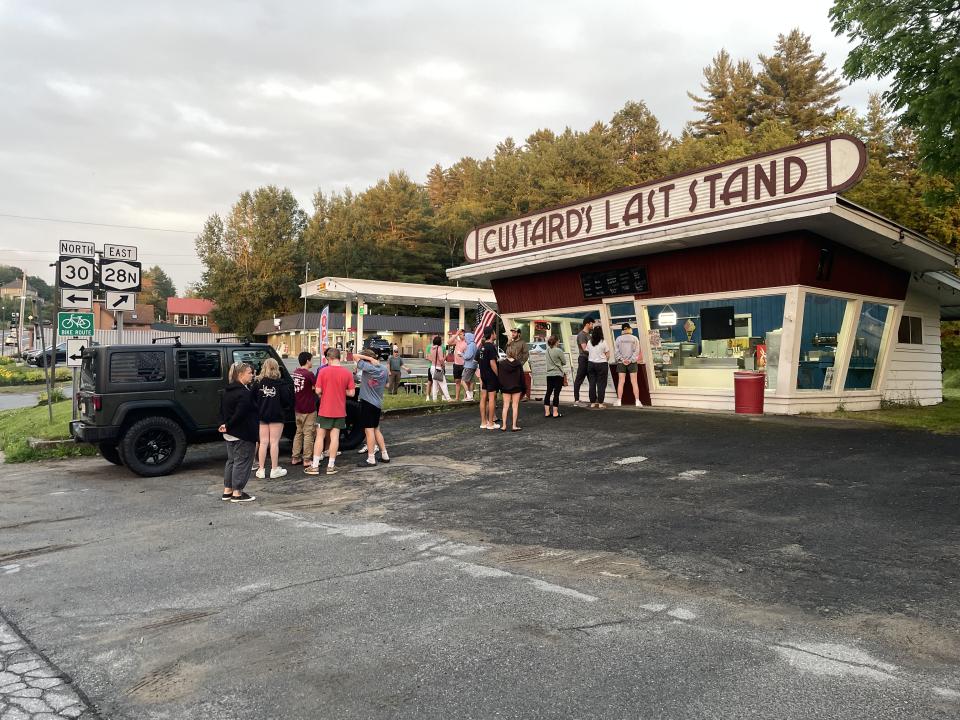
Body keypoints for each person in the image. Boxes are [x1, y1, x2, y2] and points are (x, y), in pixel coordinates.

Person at [305, 347, 356, 476]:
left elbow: (317, 391)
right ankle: (331, 466)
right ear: (339, 358)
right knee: (335, 438)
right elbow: (352, 393)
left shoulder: (323, 371)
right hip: (339, 411)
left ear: (329, 358)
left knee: (320, 437)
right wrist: (340, 390)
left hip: (325, 410)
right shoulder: (347, 373)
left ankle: (315, 466)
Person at [218, 362, 258, 503]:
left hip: (229, 434)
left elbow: (222, 411)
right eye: (249, 372)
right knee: (242, 461)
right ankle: (237, 493)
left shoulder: (226, 391)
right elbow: (240, 414)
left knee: (232, 461)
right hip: (243, 433)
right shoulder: (243, 393)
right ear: (240, 374)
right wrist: (228, 425)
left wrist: (223, 425)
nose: (252, 375)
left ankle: (227, 490)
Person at [254, 358, 292, 479]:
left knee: (263, 442)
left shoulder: (258, 383)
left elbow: (252, 400)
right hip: (277, 415)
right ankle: (274, 469)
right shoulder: (281, 384)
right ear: (276, 368)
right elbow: (287, 401)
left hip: (262, 415)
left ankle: (261, 469)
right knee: (274, 442)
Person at [354, 345, 391, 468]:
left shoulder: (368, 367)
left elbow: (355, 356)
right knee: (376, 429)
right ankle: (385, 454)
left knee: (368, 431)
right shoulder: (384, 369)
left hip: (368, 403)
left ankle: (371, 459)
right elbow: (387, 385)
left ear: (368, 359)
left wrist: (368, 359)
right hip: (377, 403)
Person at [291, 351, 317, 465]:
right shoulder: (309, 374)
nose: (312, 362)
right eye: (311, 360)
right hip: (308, 408)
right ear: (307, 361)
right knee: (308, 433)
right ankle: (307, 459)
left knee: (298, 432)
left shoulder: (295, 372)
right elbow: (317, 387)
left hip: (298, 408)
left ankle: (295, 457)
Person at [614, 323, 642, 407]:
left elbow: (616, 351)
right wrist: (630, 360)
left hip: (621, 363)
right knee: (634, 382)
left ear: (622, 330)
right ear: (629, 328)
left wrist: (623, 360)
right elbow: (636, 351)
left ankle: (619, 401)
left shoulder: (618, 339)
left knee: (621, 382)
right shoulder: (635, 338)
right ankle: (637, 401)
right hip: (632, 363)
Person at [477, 326, 500, 429]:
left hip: (483, 375)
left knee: (483, 398)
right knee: (491, 399)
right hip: (491, 376)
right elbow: (492, 363)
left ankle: (483, 422)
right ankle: (491, 423)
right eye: (494, 333)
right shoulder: (491, 347)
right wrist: (499, 375)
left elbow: (479, 361)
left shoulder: (482, 347)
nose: (495, 334)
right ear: (491, 334)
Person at [497, 345, 524, 431]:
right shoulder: (518, 363)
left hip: (505, 388)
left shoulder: (502, 364)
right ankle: (514, 426)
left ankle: (504, 426)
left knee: (505, 406)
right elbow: (521, 377)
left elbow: (500, 377)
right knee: (515, 406)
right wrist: (523, 387)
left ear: (507, 352)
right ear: (515, 352)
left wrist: (501, 387)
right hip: (516, 387)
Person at [586, 325, 610, 408]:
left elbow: (587, 351)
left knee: (592, 383)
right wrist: (605, 359)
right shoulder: (603, 342)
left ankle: (592, 403)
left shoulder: (589, 342)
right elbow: (607, 354)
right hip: (601, 364)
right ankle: (600, 403)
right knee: (601, 384)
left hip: (591, 364)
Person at [544, 335, 567, 418]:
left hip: (549, 375)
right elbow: (564, 362)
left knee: (548, 392)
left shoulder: (547, 351)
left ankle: (547, 412)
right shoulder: (559, 351)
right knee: (556, 394)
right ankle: (555, 413)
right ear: (556, 342)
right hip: (558, 374)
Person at [573, 318, 595, 407]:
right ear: (587, 324)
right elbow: (585, 348)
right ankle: (577, 400)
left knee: (592, 380)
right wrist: (596, 352)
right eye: (592, 324)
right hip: (583, 359)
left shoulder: (589, 335)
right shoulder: (581, 335)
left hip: (590, 359)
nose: (592, 326)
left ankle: (593, 400)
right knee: (579, 379)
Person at [505, 327, 530, 400]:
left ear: (519, 334)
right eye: (512, 332)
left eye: (514, 332)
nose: (513, 334)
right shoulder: (511, 342)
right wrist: (508, 344)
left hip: (518, 365)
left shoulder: (522, 342)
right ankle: (512, 396)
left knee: (520, 380)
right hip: (510, 365)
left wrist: (520, 363)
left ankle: (524, 395)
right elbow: (506, 353)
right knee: (511, 381)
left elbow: (526, 354)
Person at [428, 335, 452, 402]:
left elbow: (429, 357)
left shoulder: (431, 348)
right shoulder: (440, 348)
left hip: (432, 367)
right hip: (438, 367)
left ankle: (434, 399)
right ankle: (448, 398)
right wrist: (443, 365)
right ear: (440, 342)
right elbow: (441, 359)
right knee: (443, 383)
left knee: (435, 384)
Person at [452, 328, 468, 401]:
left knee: (464, 381)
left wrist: (462, 354)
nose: (461, 336)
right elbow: (448, 342)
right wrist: (456, 334)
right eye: (460, 334)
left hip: (463, 364)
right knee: (457, 381)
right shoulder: (457, 341)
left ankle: (465, 397)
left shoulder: (467, 342)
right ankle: (457, 397)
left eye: (462, 334)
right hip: (456, 364)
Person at [461, 332, 478, 401]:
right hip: (474, 365)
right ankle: (471, 396)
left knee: (463, 381)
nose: (465, 339)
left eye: (466, 338)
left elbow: (468, 356)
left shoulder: (470, 345)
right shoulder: (474, 345)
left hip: (468, 365)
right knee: (471, 381)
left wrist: (462, 354)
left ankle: (468, 396)